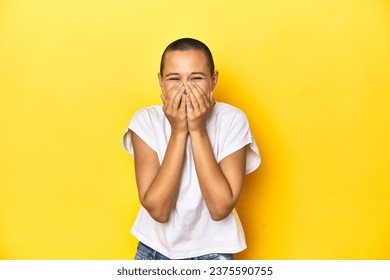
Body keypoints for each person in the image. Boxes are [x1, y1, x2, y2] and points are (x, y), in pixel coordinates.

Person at [123, 38, 260, 260]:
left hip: (214, 252)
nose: (185, 89)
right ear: (160, 82)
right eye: (174, 79)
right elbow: (158, 210)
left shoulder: (233, 120)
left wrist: (197, 129)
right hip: (154, 250)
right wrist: (178, 131)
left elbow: (219, 208)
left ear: (213, 80)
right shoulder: (145, 121)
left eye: (196, 78)